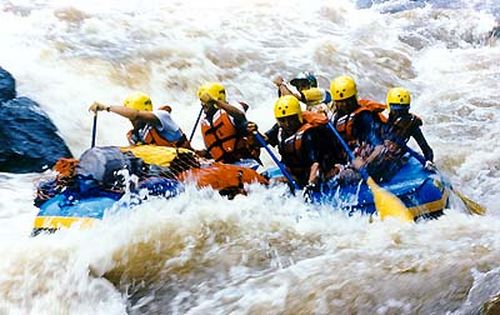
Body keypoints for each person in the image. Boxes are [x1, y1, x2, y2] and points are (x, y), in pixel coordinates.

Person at [263, 95, 345, 194]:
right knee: (265, 181)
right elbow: (264, 140)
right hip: (295, 173)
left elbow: (315, 164)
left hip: (317, 173)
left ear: (298, 116)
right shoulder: (280, 129)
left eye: (291, 119)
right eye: (283, 120)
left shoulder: (309, 134)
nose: (287, 124)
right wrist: (251, 132)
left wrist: (310, 186)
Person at [329, 75, 393, 182]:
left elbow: (379, 146)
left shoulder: (365, 117)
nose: (344, 105)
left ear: (355, 97)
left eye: (348, 100)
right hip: (349, 156)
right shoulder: (334, 117)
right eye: (341, 102)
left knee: (345, 176)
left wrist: (366, 163)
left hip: (371, 157)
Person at [89, 92, 192, 149]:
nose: (131, 121)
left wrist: (106, 107)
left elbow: (136, 115)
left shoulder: (162, 117)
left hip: (180, 164)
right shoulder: (135, 136)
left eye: (132, 119)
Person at [196, 82, 260, 164]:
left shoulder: (230, 114)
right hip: (225, 167)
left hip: (245, 163)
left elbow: (240, 117)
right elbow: (215, 150)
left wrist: (215, 101)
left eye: (206, 102)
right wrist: (203, 153)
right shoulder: (205, 123)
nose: (203, 104)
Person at [383, 87, 434, 169]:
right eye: (397, 110)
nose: (399, 114)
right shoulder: (382, 119)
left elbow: (426, 149)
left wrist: (429, 161)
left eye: (403, 110)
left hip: (397, 155)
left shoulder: (411, 124)